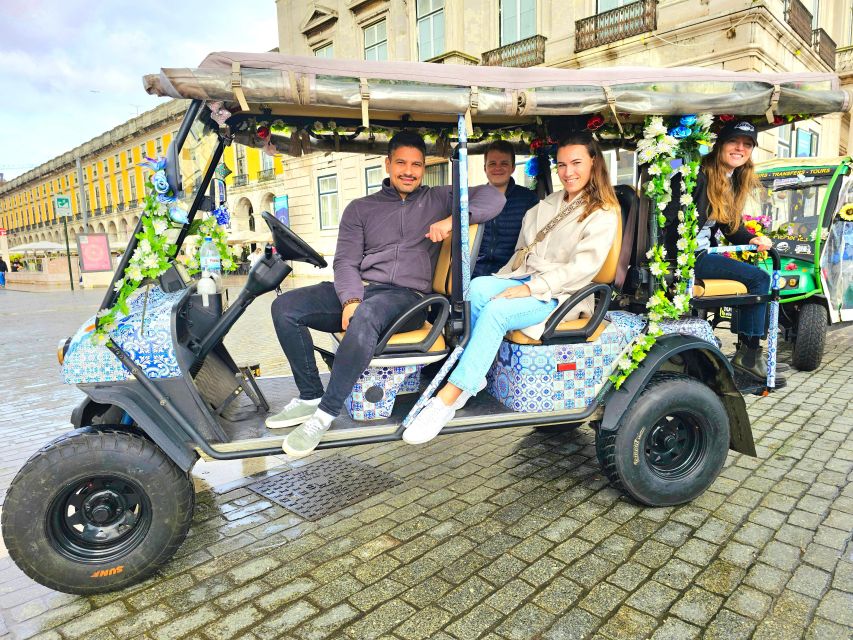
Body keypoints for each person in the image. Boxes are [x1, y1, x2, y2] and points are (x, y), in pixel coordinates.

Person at [268, 131, 505, 457]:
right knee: (285, 306)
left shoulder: (437, 198)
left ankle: (324, 414)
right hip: (362, 289)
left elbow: (494, 198)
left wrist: (452, 220)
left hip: (407, 298)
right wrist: (351, 299)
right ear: (388, 164)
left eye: (416, 165)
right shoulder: (361, 208)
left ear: (423, 168)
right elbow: (346, 262)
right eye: (401, 163)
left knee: (366, 314)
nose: (409, 171)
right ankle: (309, 394)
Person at [403, 131, 620, 444]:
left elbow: (581, 270)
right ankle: (473, 376)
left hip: (563, 293)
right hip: (528, 277)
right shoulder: (550, 204)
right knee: (477, 288)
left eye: (576, 163)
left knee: (496, 311)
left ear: (593, 163)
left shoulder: (602, 212)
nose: (568, 172)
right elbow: (522, 254)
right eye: (561, 165)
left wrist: (528, 288)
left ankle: (450, 396)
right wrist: (507, 281)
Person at [663, 120, 785, 385]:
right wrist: (670, 262)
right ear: (720, 145)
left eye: (747, 144)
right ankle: (748, 357)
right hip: (687, 258)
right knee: (760, 280)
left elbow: (731, 228)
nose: (740, 148)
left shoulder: (729, 180)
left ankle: (747, 353)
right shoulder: (698, 174)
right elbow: (669, 217)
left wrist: (754, 237)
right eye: (734, 141)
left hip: (700, 254)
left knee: (758, 277)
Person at [472, 140, 540, 278]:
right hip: (473, 272)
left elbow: (534, 243)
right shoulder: (473, 198)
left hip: (513, 274)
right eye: (492, 164)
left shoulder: (528, 200)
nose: (498, 168)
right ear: (485, 168)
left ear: (513, 168)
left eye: (504, 163)